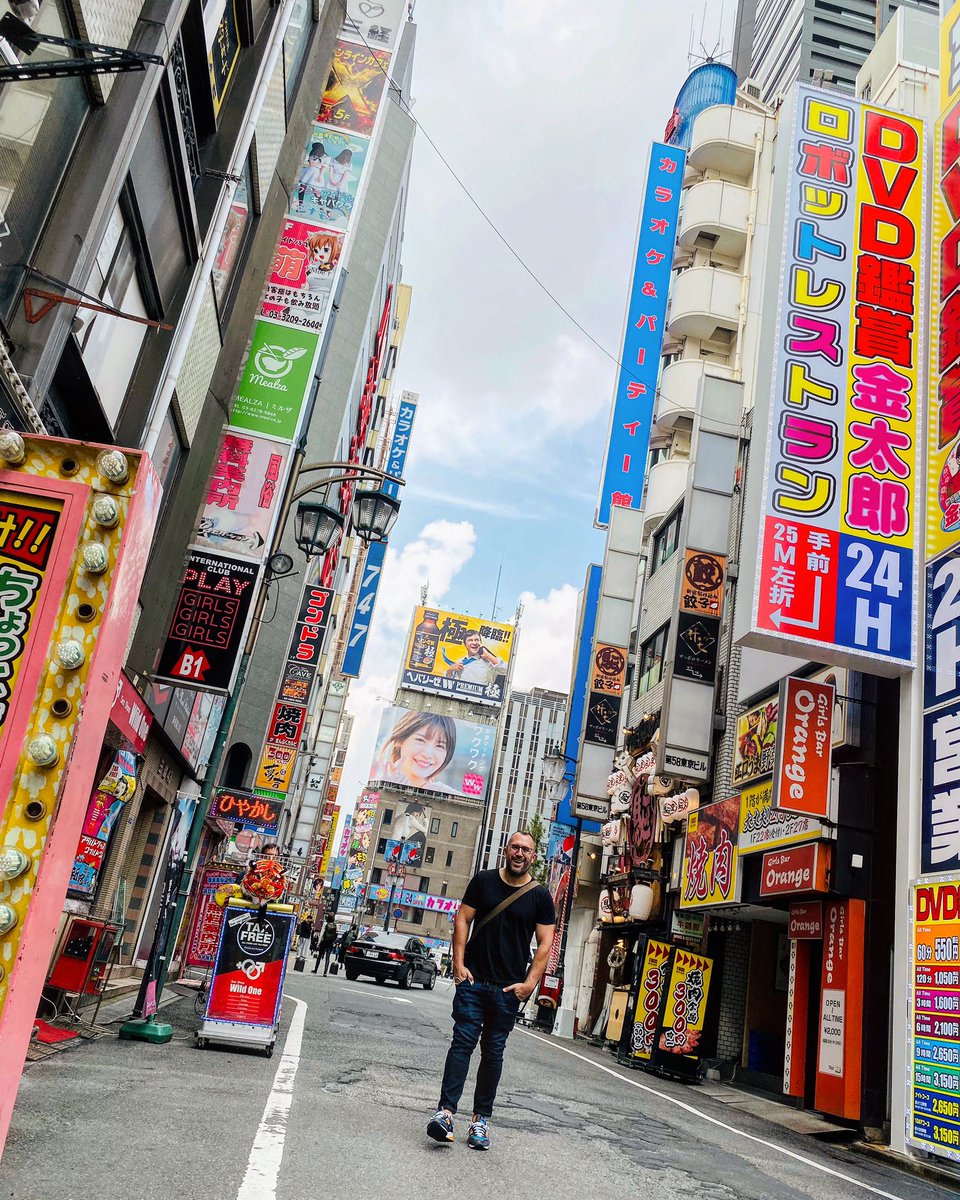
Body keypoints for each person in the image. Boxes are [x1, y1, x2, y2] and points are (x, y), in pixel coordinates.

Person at [427, 831, 555, 1152]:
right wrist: (458, 963)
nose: (520, 853)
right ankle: (445, 1113)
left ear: (533, 857)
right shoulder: (482, 881)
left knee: (493, 1052)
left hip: (508, 989)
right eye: (515, 847)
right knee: (462, 1044)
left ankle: (480, 1119)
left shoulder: (540, 896)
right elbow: (462, 919)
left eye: (526, 849)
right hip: (473, 980)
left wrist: (528, 985)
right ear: (505, 850)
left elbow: (546, 944)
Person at [372, 711, 457, 792]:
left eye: (440, 746)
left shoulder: (450, 797)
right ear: (400, 739)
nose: (427, 754)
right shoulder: (371, 783)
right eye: (420, 740)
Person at [443, 629, 507, 688]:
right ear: (465, 644)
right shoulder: (460, 661)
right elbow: (448, 682)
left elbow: (506, 671)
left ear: (480, 642)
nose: (474, 643)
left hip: (482, 699)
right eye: (470, 640)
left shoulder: (489, 662)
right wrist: (450, 670)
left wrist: (489, 656)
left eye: (477, 640)